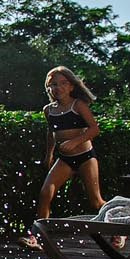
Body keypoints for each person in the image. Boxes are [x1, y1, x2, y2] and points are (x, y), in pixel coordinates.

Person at [23, 66, 105, 246]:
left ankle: (118, 229)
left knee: (96, 201)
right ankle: (37, 237)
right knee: (45, 193)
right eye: (53, 84)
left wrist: (75, 142)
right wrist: (49, 155)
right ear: (48, 88)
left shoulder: (78, 105)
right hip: (65, 159)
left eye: (62, 83)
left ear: (71, 87)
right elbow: (50, 132)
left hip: (85, 157)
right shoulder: (48, 110)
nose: (57, 88)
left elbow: (94, 129)